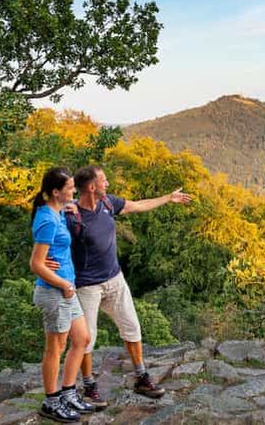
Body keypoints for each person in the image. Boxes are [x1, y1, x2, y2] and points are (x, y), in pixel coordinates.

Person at [46, 165, 192, 406]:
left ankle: (141, 377)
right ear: (91, 187)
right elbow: (50, 235)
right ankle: (89, 386)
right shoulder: (70, 215)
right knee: (85, 340)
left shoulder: (108, 204)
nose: (108, 184)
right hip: (86, 287)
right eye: (104, 181)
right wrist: (47, 261)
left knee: (132, 328)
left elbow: (136, 205)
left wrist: (169, 198)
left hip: (115, 280)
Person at [29, 167, 96, 422]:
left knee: (82, 338)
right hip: (55, 292)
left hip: (66, 289)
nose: (74, 191)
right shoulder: (47, 218)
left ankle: (68, 392)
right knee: (55, 348)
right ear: (56, 192)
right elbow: (35, 263)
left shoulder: (56, 212)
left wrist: (71, 210)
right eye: (69, 188)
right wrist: (62, 282)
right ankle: (51, 401)